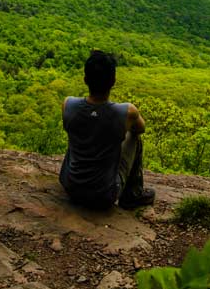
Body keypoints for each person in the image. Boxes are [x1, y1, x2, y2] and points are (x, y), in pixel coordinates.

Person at [59, 50, 155, 210]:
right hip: (104, 195)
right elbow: (141, 128)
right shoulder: (127, 112)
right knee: (134, 136)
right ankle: (133, 195)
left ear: (85, 80)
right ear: (113, 81)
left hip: (71, 187)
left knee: (79, 131)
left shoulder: (68, 104)